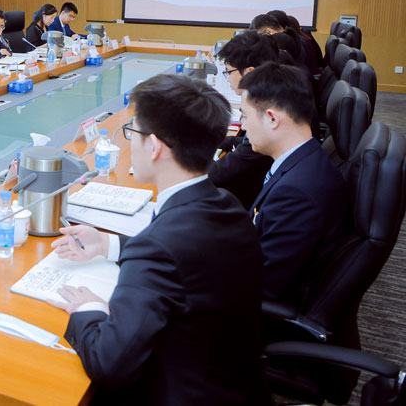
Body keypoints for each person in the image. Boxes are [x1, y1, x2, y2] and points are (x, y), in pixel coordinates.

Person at [46, 74, 266, 405]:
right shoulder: (227, 204)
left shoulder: (157, 247)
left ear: (155, 146)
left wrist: (88, 307)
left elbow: (109, 365)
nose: (130, 143)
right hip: (234, 384)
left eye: (132, 133)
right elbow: (184, 256)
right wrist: (108, 245)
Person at [238, 62, 348, 305]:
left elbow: (262, 287)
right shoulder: (304, 161)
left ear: (272, 118)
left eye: (245, 115)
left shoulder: (296, 193)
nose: (243, 126)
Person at [207, 30, 279, 209]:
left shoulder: (266, 113)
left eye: (228, 72)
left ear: (249, 72)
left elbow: (216, 174)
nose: (227, 78)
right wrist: (217, 140)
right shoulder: (274, 93)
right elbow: (246, 146)